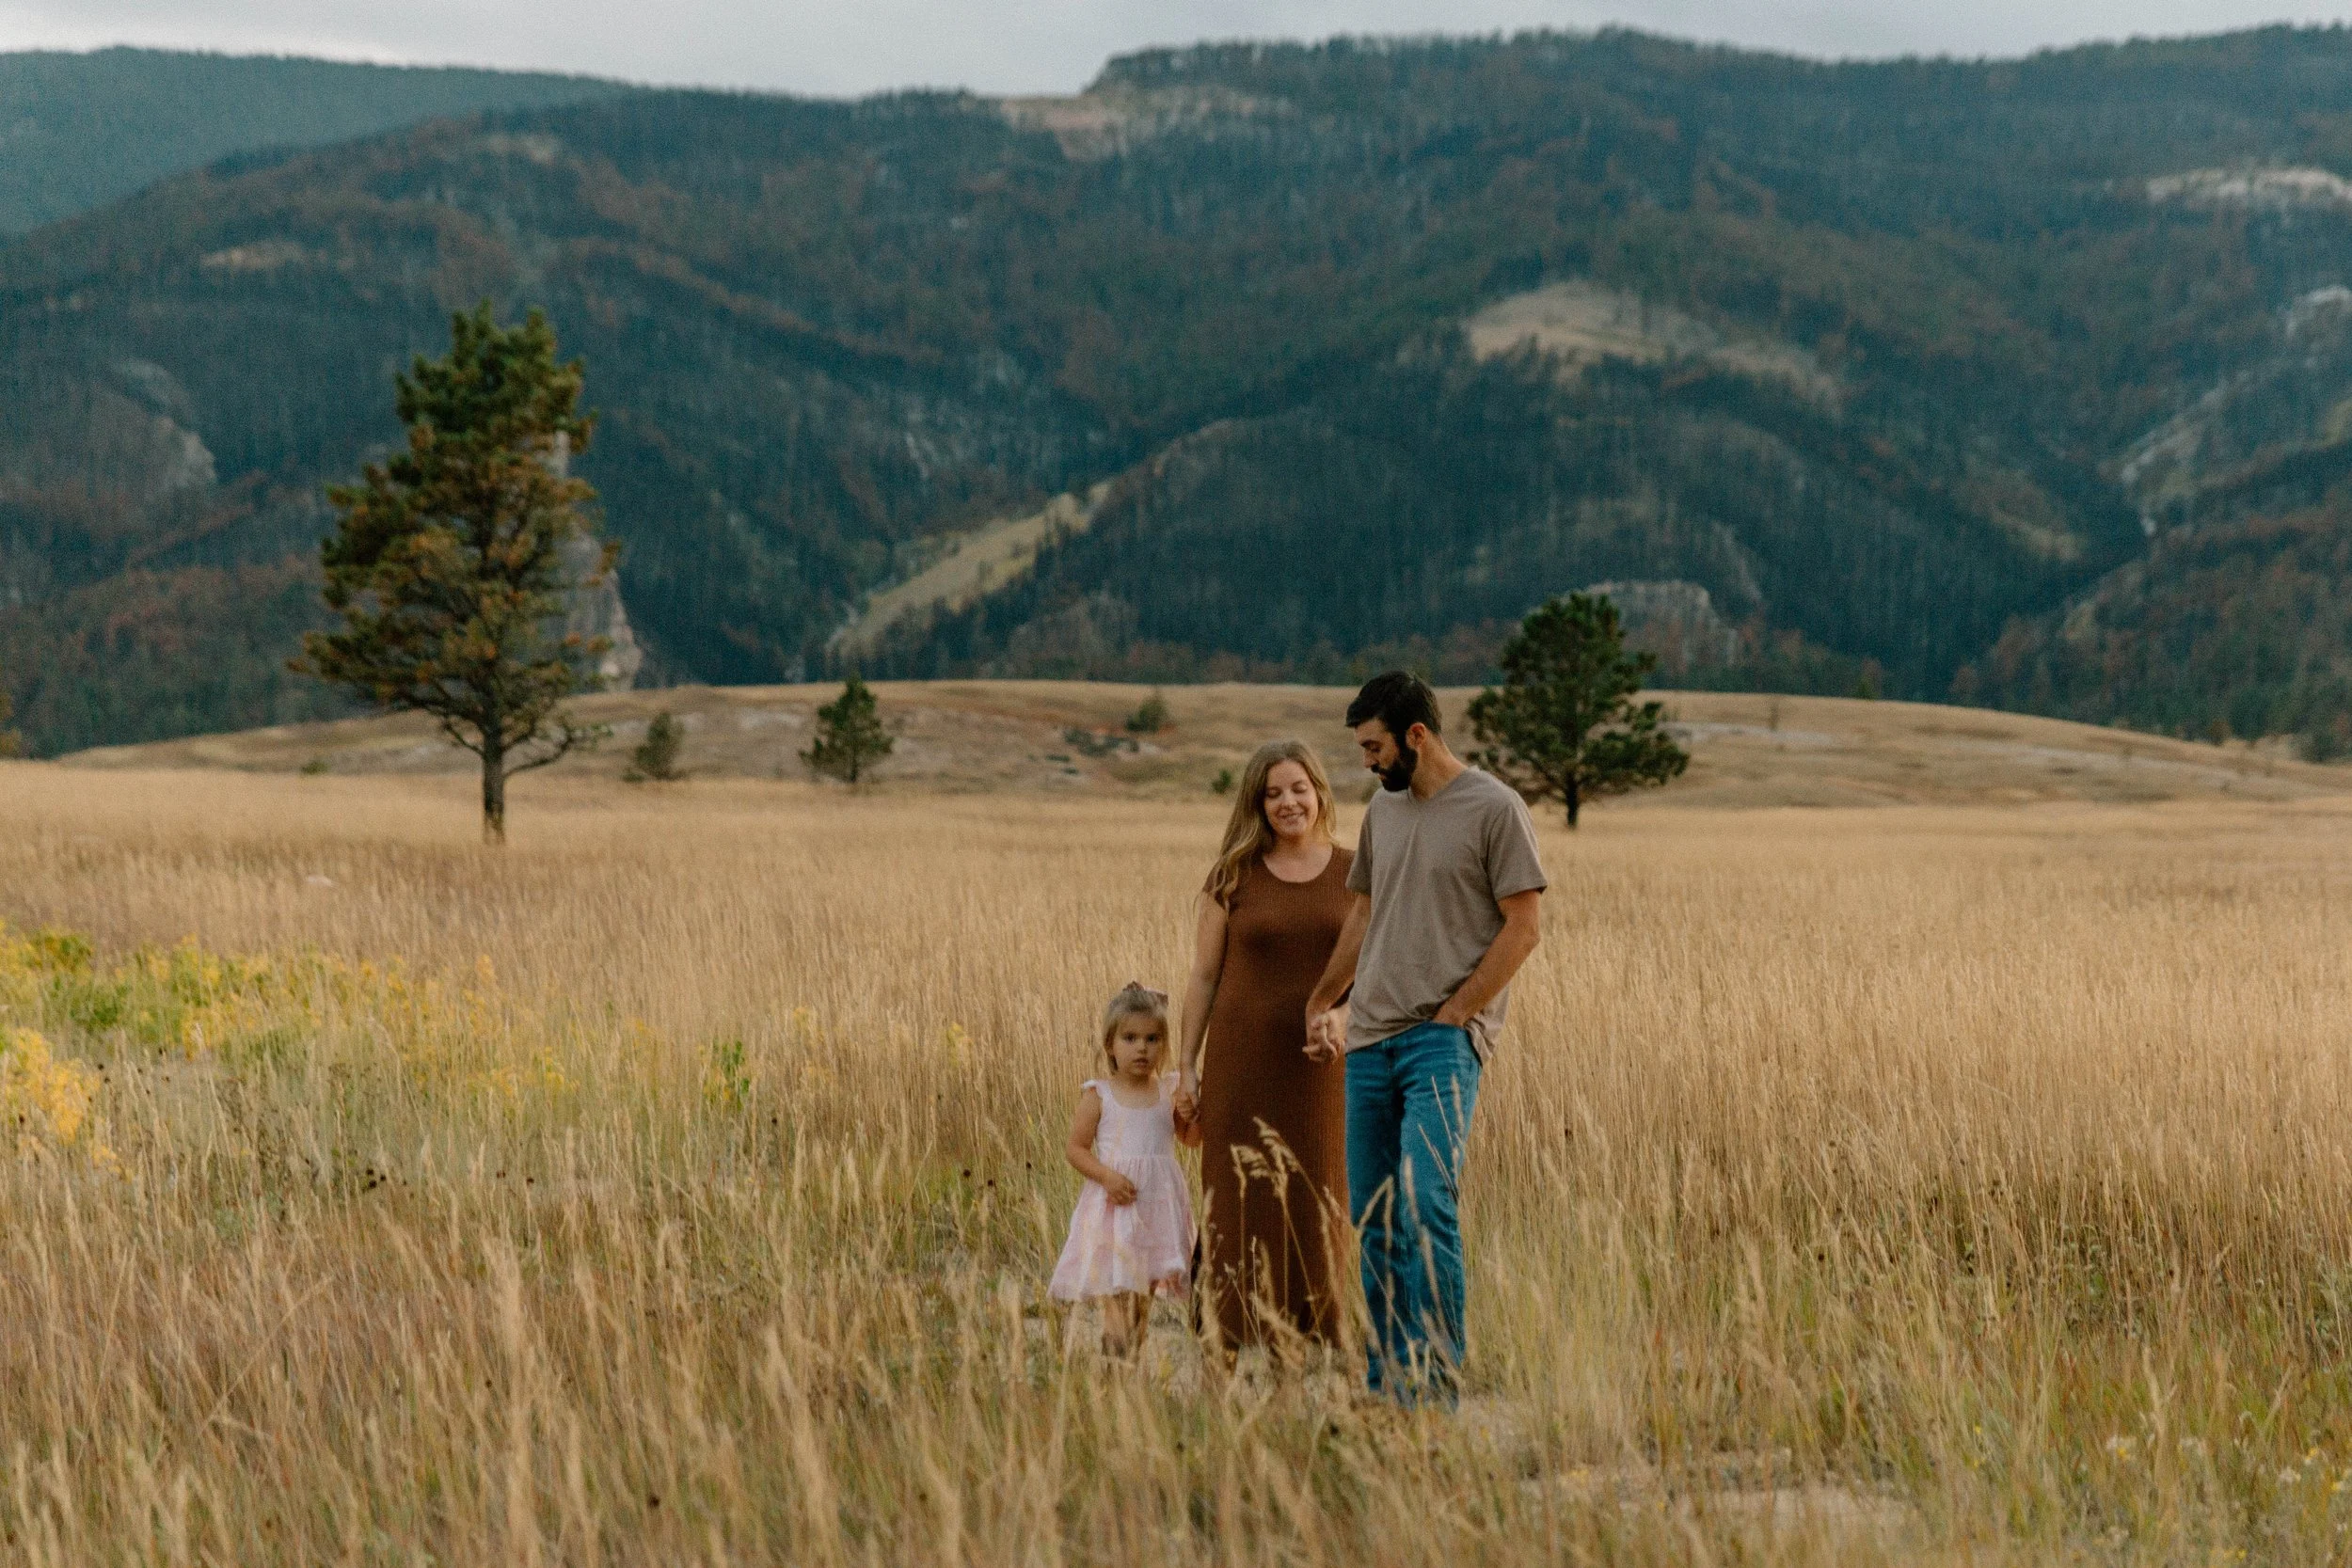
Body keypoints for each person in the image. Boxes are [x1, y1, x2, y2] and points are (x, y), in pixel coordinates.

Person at [1303, 671, 1548, 1404]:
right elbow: (1362, 914)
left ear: (1416, 734)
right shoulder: (1385, 809)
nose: (1367, 762)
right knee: (1374, 1218)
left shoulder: (1494, 807)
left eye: (1374, 746)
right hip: (1370, 1042)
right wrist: (1323, 996)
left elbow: (1525, 926)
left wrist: (1459, 1011)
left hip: (1442, 1040)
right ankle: (1388, 1381)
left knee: (1425, 1201)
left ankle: (1438, 1380)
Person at [1176, 739, 1353, 1357]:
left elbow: (1381, 975)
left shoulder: (1358, 871)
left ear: (1319, 791)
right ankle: (1227, 1335)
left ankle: (1319, 1338)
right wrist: (1187, 1068)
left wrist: (1346, 1017)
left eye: (1298, 788)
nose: (1287, 802)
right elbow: (1202, 976)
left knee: (1321, 1190)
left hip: (1324, 1067)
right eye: (1273, 792)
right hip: (1240, 1066)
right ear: (1257, 802)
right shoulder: (1232, 875)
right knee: (1236, 1195)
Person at [1049, 982, 1200, 1355]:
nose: (1142, 1048)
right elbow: (1075, 1148)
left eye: (1152, 1039)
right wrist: (1106, 1177)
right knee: (1117, 1295)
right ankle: (1114, 1365)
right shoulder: (1099, 1095)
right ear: (1110, 1046)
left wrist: (1192, 1115)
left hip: (1156, 1210)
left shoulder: (1168, 1091)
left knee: (1141, 1304)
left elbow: (1191, 1140)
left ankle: (1129, 1373)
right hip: (1116, 1209)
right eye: (1130, 1038)